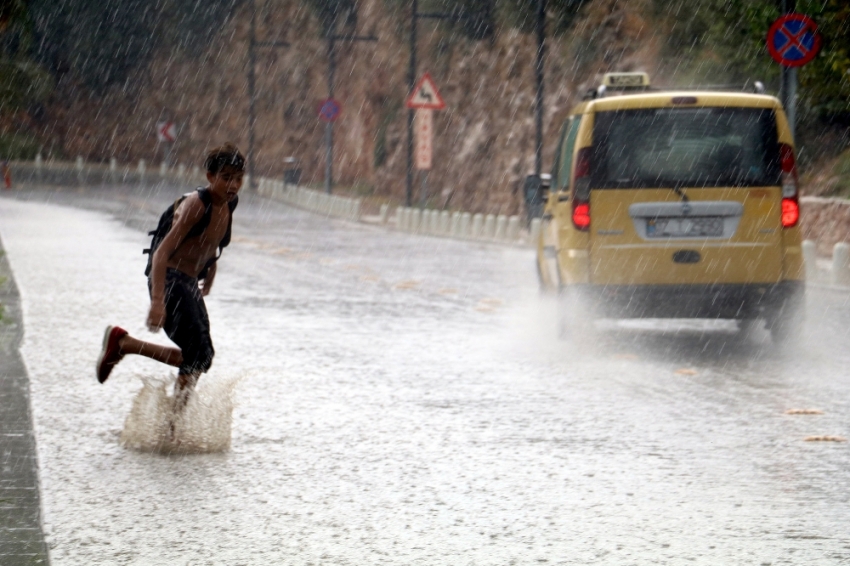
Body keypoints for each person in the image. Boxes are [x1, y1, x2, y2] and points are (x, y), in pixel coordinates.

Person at [96, 143, 245, 411]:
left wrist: (211, 270)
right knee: (197, 354)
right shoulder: (197, 205)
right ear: (210, 176)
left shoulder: (230, 203)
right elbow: (161, 254)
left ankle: (125, 344)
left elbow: (211, 241)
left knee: (202, 356)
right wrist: (157, 302)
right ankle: (174, 423)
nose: (232, 184)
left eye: (238, 178)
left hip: (187, 283)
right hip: (170, 280)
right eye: (226, 177)